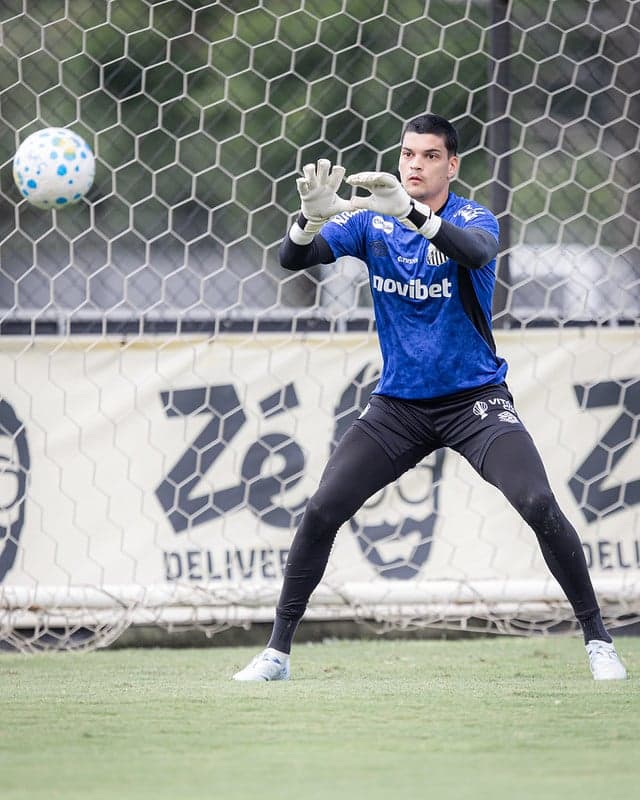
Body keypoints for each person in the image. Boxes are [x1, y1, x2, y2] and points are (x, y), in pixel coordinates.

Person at [233, 113, 627, 682]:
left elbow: (472, 252)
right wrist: (306, 220)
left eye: (428, 156)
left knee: (539, 503)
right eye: (408, 154)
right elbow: (294, 260)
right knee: (321, 509)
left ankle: (597, 639)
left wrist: (411, 215)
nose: (414, 164)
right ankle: (277, 654)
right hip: (399, 407)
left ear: (452, 164)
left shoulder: (472, 217)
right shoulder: (371, 222)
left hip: (475, 402)